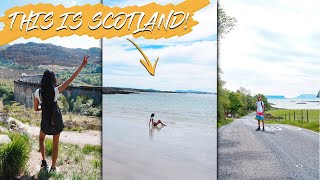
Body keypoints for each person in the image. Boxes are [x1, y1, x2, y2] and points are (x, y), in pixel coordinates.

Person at [34, 55, 89, 172]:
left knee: (41, 139)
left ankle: (44, 162)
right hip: (56, 120)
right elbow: (70, 80)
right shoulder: (55, 91)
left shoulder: (37, 92)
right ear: (53, 80)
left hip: (45, 121)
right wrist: (82, 66)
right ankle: (53, 167)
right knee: (55, 145)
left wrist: (43, 107)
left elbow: (35, 108)